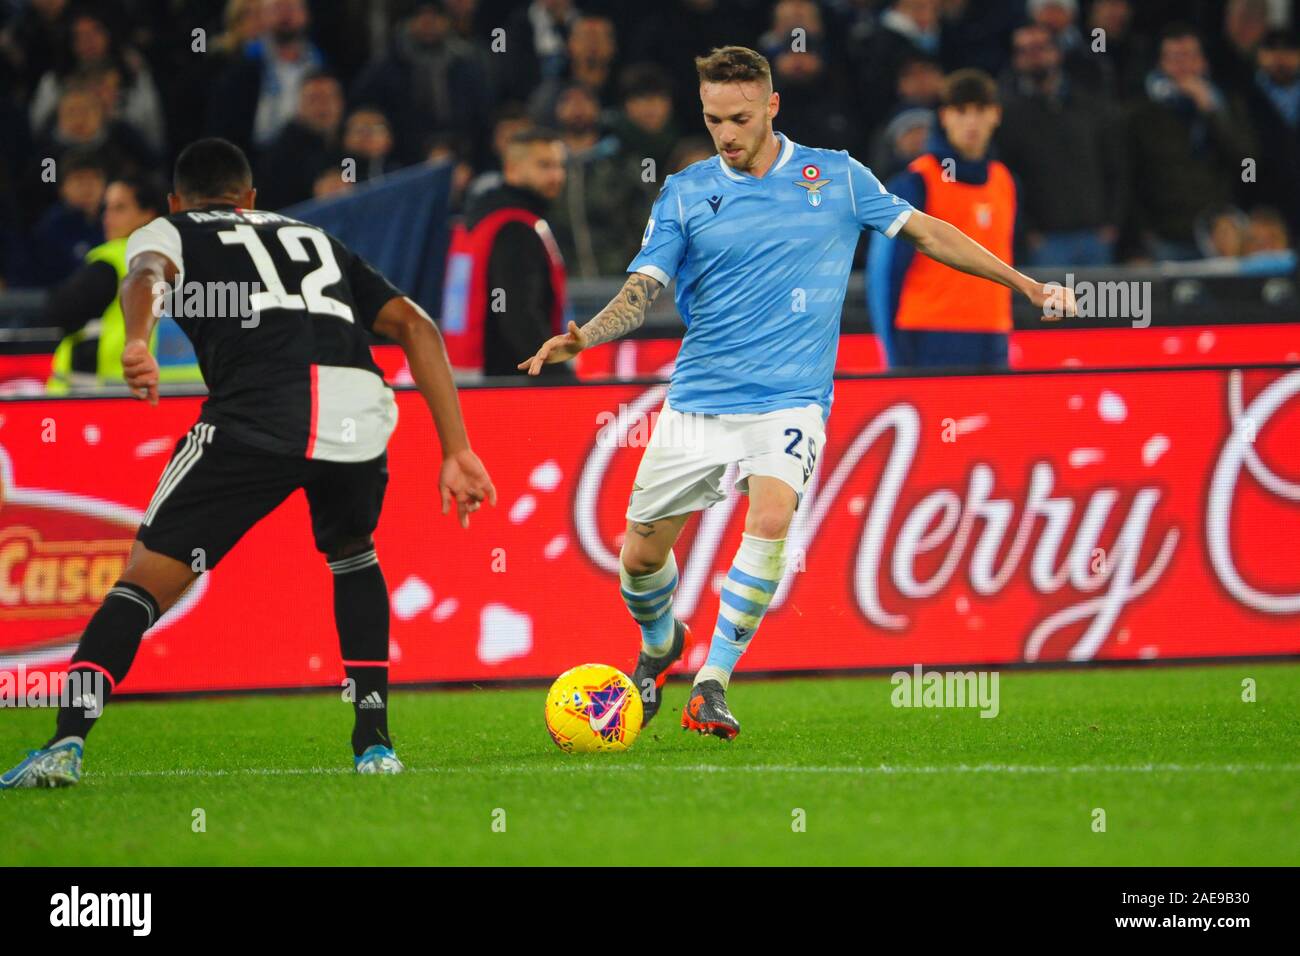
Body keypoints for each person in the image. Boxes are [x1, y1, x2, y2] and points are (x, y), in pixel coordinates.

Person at [518, 47, 1073, 740]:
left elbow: (927, 231)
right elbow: (644, 288)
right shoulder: (685, 192)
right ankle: (661, 641)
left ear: (773, 107)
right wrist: (587, 337)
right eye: (714, 119)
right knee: (640, 557)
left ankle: (712, 684)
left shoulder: (836, 177)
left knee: (772, 514)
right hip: (699, 399)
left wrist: (1023, 284)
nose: (727, 133)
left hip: (791, 398)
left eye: (740, 118)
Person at [1, 138, 496, 788]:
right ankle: (375, 745)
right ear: (252, 198)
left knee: (144, 580)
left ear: (177, 202)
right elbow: (416, 325)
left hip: (259, 412)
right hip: (357, 412)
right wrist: (457, 450)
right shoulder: (312, 235)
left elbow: (144, 274)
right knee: (354, 555)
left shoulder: (169, 229)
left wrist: (140, 342)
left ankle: (66, 742)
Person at [869, 70, 1019, 369]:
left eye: (980, 111)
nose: (971, 122)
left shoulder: (1004, 181)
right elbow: (885, 273)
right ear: (945, 117)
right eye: (961, 111)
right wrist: (892, 352)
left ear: (996, 115)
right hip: (928, 333)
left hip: (993, 332)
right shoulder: (916, 183)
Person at [45, 173, 201, 392]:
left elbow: (58, 312)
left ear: (148, 214)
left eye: (119, 208)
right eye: (106, 208)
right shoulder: (195, 257)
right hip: (189, 398)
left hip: (118, 398)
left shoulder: (117, 259)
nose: (107, 217)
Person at [441, 127, 571, 379]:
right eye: (544, 166)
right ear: (512, 169)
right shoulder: (515, 228)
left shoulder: (480, 218)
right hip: (509, 383)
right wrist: (558, 377)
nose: (556, 175)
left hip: (472, 374)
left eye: (559, 165)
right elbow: (519, 316)